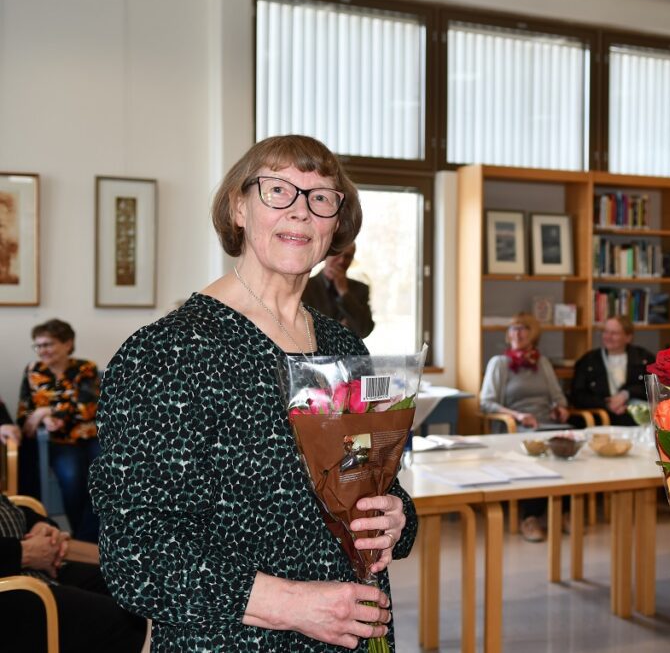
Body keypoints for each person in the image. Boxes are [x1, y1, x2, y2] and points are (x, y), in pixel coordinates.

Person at [89, 135, 416, 651]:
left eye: (321, 197)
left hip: (354, 629)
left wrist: (396, 515)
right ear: (239, 206)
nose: (301, 212)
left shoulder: (342, 344)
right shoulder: (167, 353)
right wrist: (294, 605)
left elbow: (366, 480)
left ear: (336, 223)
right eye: (278, 190)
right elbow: (137, 554)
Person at [0, 492, 148, 653]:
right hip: (12, 584)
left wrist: (41, 526)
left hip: (34, 566)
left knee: (137, 585)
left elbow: (8, 505)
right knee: (118, 619)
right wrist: (23, 553)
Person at [479, 313, 569, 541]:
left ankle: (565, 511)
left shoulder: (542, 362)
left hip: (546, 423)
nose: (517, 333)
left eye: (523, 328)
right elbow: (486, 403)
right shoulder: (499, 363)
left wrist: (560, 408)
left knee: (569, 442)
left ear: (533, 334)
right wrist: (518, 415)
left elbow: (558, 397)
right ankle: (529, 517)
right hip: (515, 427)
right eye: (513, 329)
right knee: (536, 449)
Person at [17, 319, 101, 540]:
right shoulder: (33, 371)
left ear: (67, 344)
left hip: (90, 437)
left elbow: (87, 408)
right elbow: (25, 411)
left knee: (105, 475)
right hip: (56, 441)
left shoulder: (85, 368)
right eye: (38, 345)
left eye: (49, 344)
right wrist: (39, 417)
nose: (42, 350)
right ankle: (83, 538)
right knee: (72, 476)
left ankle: (100, 534)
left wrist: (45, 412)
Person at [570, 315, 654, 425]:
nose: (608, 337)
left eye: (614, 333)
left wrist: (626, 394)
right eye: (605, 332)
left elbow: (655, 388)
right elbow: (578, 395)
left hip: (637, 418)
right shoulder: (588, 361)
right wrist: (606, 404)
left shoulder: (644, 358)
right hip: (601, 418)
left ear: (628, 337)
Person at [302, 242, 375, 338]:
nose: (341, 261)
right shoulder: (304, 287)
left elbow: (364, 330)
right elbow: (303, 330)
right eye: (338, 254)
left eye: (348, 256)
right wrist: (338, 329)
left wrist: (344, 292)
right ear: (326, 255)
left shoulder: (361, 289)